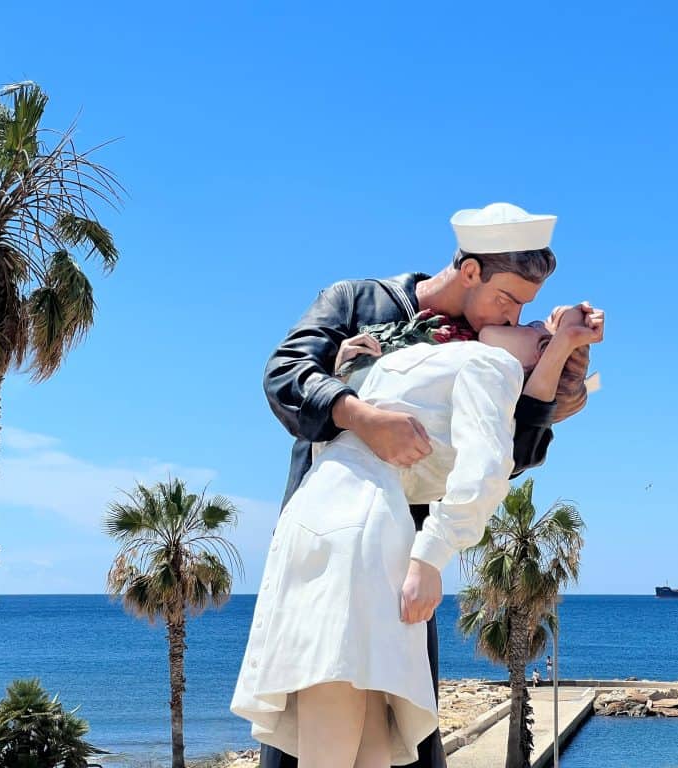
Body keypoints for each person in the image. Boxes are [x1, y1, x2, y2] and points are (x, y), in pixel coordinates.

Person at [255, 202, 597, 768]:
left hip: (405, 551)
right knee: (318, 711)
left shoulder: (493, 351)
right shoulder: (355, 301)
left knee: (399, 732)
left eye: (525, 310)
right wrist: (360, 415)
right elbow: (285, 374)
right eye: (507, 299)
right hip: (328, 542)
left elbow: (505, 460)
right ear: (469, 270)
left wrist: (556, 363)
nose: (514, 317)